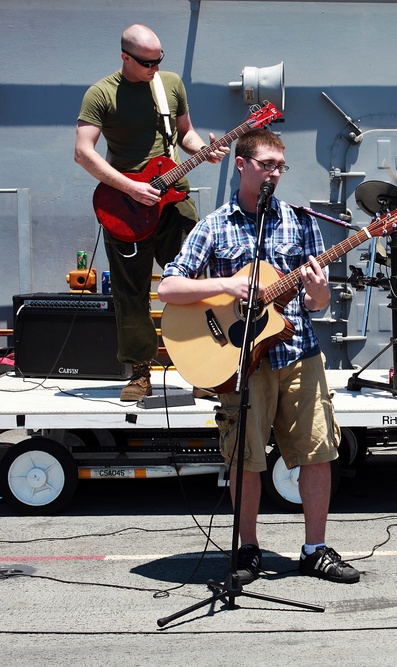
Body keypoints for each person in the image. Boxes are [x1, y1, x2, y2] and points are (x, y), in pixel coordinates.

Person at [158, 129, 359, 585]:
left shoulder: (300, 221)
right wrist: (225, 285)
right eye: (266, 164)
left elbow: (316, 304)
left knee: (317, 451)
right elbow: (170, 286)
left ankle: (314, 549)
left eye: (280, 166)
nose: (274, 173)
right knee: (245, 459)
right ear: (243, 165)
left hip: (298, 353)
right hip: (240, 363)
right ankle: (247, 547)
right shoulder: (214, 225)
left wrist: (320, 291)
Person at [75, 24, 228, 401]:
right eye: (146, 63)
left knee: (195, 285)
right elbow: (83, 152)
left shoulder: (170, 84)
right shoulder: (101, 93)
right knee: (131, 291)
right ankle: (140, 371)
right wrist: (130, 187)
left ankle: (203, 368)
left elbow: (185, 134)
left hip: (174, 199)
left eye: (159, 60)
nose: (155, 68)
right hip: (125, 206)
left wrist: (202, 151)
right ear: (125, 57)